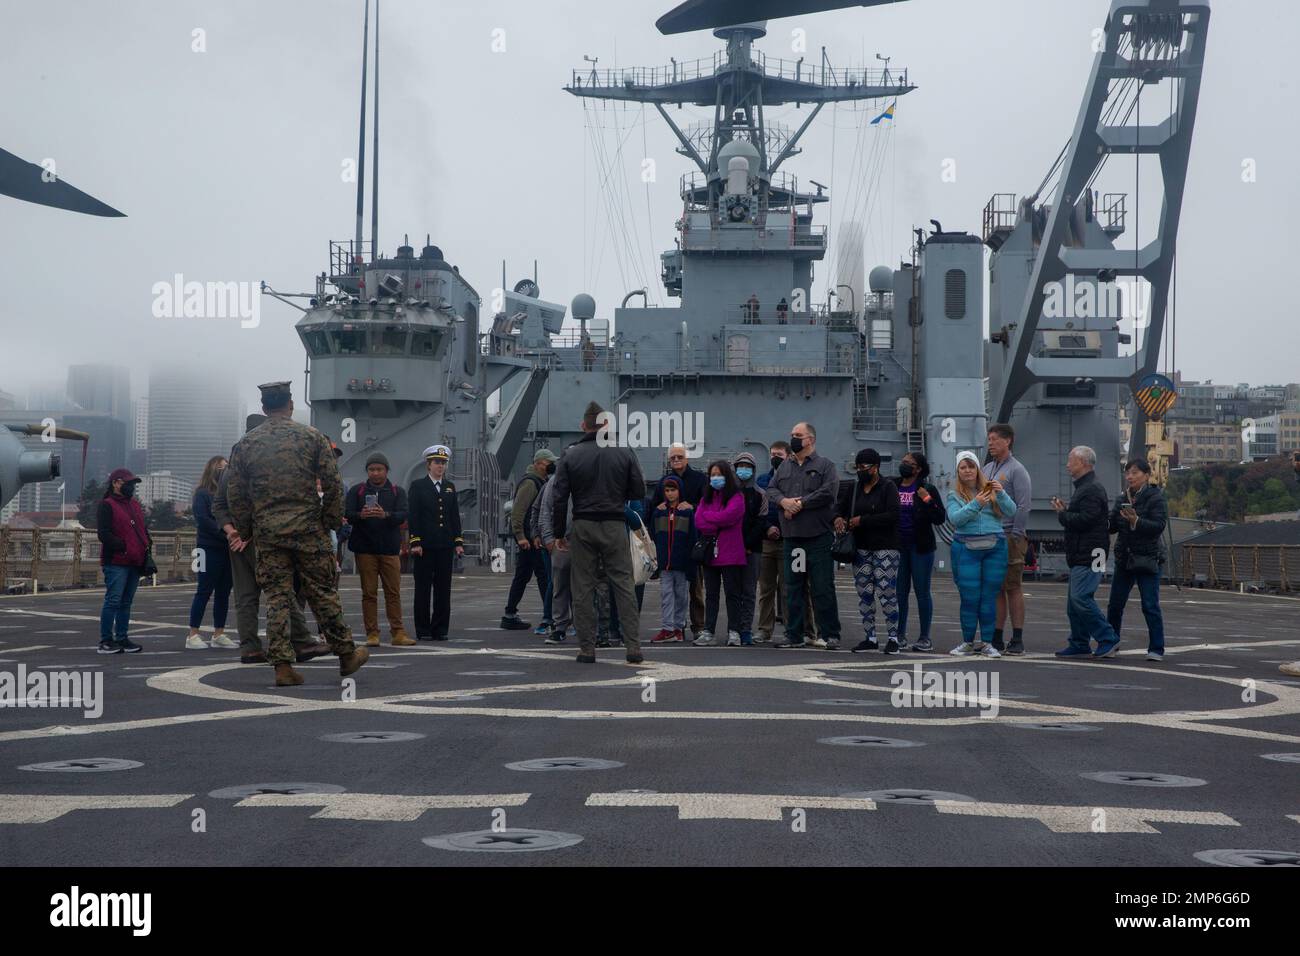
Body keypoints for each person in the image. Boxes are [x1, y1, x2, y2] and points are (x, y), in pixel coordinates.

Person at [225, 380, 368, 686]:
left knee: (277, 598)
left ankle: (282, 667)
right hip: (307, 530)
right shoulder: (312, 437)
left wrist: (248, 529)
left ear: (264, 409)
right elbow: (332, 482)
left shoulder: (246, 444)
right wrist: (329, 521)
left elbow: (235, 494)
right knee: (322, 592)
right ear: (290, 405)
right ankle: (346, 655)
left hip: (268, 533)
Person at [213, 413, 329, 666]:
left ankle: (250, 648)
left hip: (236, 541)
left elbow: (219, 505)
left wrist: (232, 532)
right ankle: (303, 641)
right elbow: (262, 504)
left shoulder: (230, 465)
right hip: (262, 538)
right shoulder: (261, 463)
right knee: (280, 590)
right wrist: (245, 533)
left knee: (245, 596)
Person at [551, 401, 647, 664]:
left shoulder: (570, 454)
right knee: (623, 584)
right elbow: (639, 491)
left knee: (582, 587)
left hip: (582, 525)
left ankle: (586, 649)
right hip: (615, 524)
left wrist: (559, 532)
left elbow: (559, 497)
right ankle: (633, 647)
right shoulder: (624, 452)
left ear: (584, 425)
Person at [766, 422, 842, 649]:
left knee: (822, 587)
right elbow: (771, 490)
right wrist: (784, 502)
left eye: (798, 435)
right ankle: (794, 634)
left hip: (818, 537)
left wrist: (799, 503)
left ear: (810, 439)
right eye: (791, 435)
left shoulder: (825, 465)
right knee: (793, 587)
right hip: (794, 539)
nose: (793, 438)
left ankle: (830, 634)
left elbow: (829, 492)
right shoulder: (784, 468)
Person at [1051, 445, 1121, 659]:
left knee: (1080, 598)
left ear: (1082, 463)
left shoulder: (1090, 489)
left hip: (1089, 553)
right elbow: (1088, 518)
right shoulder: (1089, 487)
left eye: (1071, 460)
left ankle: (1108, 637)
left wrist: (1063, 514)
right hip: (1089, 553)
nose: (1067, 465)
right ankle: (1079, 642)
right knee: (1075, 602)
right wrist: (1068, 511)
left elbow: (1085, 521)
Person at [945, 450, 1016, 657]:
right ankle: (967, 642)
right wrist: (977, 504)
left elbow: (1011, 511)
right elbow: (955, 519)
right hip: (966, 547)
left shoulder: (992, 489)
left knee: (989, 597)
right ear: (958, 471)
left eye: (971, 466)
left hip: (995, 547)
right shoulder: (954, 494)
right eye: (963, 467)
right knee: (969, 597)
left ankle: (987, 643)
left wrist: (1001, 493)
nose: (968, 471)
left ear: (977, 469)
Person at [345, 452, 414, 647]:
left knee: (393, 592)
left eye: (379, 469)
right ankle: (372, 633)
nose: (375, 473)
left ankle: (398, 632)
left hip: (390, 549)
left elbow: (403, 514)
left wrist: (386, 514)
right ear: (367, 471)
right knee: (369, 593)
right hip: (365, 549)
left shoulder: (396, 491)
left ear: (386, 470)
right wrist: (362, 515)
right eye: (371, 469)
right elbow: (347, 514)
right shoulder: (357, 491)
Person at [836, 448, 901, 654]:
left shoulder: (888, 487)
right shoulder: (854, 489)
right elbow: (839, 508)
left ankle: (893, 638)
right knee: (864, 593)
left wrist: (862, 520)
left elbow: (893, 515)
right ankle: (870, 637)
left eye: (864, 467)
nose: (860, 471)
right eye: (858, 467)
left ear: (876, 467)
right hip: (861, 548)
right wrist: (837, 518)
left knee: (886, 592)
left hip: (886, 548)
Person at [1106, 458, 1167, 662]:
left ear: (1146, 475)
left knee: (1150, 604)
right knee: (1115, 604)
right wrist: (1107, 518)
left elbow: (1158, 526)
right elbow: (1112, 526)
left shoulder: (1155, 497)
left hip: (1148, 558)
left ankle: (1156, 648)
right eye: (1127, 473)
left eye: (1134, 472)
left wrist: (1136, 521)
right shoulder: (1122, 497)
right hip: (1125, 557)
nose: (1130, 477)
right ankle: (1111, 641)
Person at [983, 423, 1033, 654]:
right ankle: (997, 637)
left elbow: (1023, 505)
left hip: (1009, 536)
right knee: (996, 588)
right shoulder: (988, 469)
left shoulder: (1016, 470)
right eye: (989, 439)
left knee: (1013, 587)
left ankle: (1018, 637)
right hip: (991, 535)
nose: (990, 443)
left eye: (994, 439)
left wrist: (1016, 535)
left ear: (1008, 441)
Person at [650, 443, 708, 637]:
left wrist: (692, 506)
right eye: (673, 457)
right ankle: (675, 628)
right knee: (671, 592)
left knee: (695, 589)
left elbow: (707, 504)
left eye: (680, 457)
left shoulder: (700, 479)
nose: (676, 460)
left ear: (687, 458)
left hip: (693, 542)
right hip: (669, 548)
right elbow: (654, 507)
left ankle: (698, 626)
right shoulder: (662, 482)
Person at [408, 444, 464, 641]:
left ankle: (440, 629)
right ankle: (423, 629)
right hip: (425, 546)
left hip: (444, 545)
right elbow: (414, 516)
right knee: (422, 589)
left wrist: (458, 541)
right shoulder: (418, 486)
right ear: (428, 465)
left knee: (443, 589)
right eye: (437, 463)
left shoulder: (450, 487)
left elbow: (453, 516)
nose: (440, 466)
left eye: (443, 463)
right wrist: (415, 542)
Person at [894, 451, 947, 653]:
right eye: (904, 461)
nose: (904, 464)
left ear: (918, 468)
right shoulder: (894, 485)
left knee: (922, 592)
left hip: (921, 547)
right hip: (899, 547)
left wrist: (928, 501)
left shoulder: (927, 488)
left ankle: (925, 637)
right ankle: (899, 634)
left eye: (909, 463)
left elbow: (940, 517)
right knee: (900, 593)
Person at [693, 461, 749, 646]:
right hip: (711, 553)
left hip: (731, 553)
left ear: (727, 475)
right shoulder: (706, 498)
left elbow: (730, 516)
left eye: (719, 474)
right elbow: (698, 522)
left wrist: (710, 517)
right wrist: (717, 519)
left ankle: (734, 631)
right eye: (712, 475)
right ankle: (708, 631)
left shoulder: (737, 497)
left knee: (733, 594)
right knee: (711, 594)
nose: (715, 478)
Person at [96, 468, 150, 654]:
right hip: (116, 562)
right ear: (116, 483)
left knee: (126, 602)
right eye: (129, 483)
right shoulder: (107, 505)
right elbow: (103, 534)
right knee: (113, 600)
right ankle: (106, 640)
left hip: (135, 561)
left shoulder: (134, 505)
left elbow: (142, 529)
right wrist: (124, 546)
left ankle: (122, 638)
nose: (132, 487)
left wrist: (144, 547)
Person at [501, 449, 557, 631]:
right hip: (531, 540)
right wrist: (520, 536)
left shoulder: (539, 481)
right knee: (543, 576)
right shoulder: (531, 483)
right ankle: (550, 617)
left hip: (531, 538)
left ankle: (510, 614)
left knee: (523, 576)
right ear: (539, 463)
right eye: (549, 462)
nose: (551, 465)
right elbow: (518, 511)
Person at [186, 456, 236, 650]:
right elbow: (203, 520)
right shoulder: (202, 493)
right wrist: (227, 532)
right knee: (204, 591)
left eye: (226, 467)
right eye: (220, 467)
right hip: (207, 548)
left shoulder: (228, 495)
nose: (223, 470)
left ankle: (219, 633)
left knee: (224, 592)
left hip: (227, 550)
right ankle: (193, 634)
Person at [537, 443, 576, 645]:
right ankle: (559, 627)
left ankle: (584, 627)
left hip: (583, 541)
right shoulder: (554, 482)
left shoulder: (586, 479)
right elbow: (545, 512)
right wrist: (549, 540)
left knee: (586, 587)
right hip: (561, 543)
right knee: (560, 587)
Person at [650, 475, 696, 643]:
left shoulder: (687, 512)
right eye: (667, 490)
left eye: (673, 490)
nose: (670, 494)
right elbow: (653, 534)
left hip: (682, 563)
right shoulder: (658, 512)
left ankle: (678, 628)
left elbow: (692, 537)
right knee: (666, 595)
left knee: (682, 596)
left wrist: (690, 561)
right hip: (665, 564)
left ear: (679, 491)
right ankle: (667, 628)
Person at [732, 452, 766, 645]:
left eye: (747, 466)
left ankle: (745, 630)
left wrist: (748, 546)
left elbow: (761, 522)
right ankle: (734, 629)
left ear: (753, 470)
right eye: (740, 466)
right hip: (732, 549)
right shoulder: (729, 493)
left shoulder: (760, 494)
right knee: (733, 591)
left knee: (749, 591)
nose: (743, 469)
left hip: (753, 550)